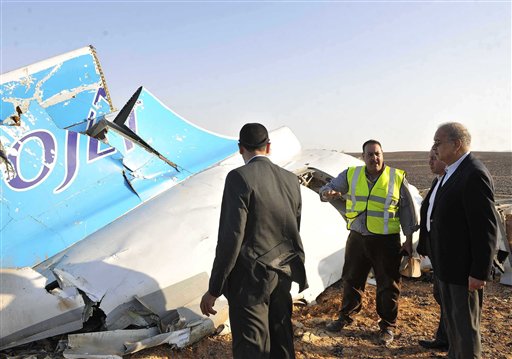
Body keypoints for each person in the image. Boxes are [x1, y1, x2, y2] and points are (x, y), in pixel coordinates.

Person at [200, 123, 308, 359]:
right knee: (282, 342)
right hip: (283, 273)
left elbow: (231, 237)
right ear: (268, 146)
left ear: (240, 149)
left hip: (251, 280)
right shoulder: (291, 180)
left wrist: (214, 288)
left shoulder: (239, 177)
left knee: (253, 347)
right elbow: (294, 227)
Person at [319, 139, 417, 345]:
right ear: (363, 157)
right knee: (351, 279)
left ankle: (387, 326)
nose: (375, 158)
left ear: (383, 155)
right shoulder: (351, 175)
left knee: (388, 284)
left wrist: (408, 239)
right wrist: (326, 193)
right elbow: (328, 188)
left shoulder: (396, 177)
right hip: (358, 238)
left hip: (386, 241)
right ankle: (346, 316)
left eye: (377, 154)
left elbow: (407, 210)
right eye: (370, 155)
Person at [429, 122, 497, 359]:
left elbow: (485, 228)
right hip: (448, 268)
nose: (434, 147)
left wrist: (479, 272)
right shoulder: (452, 172)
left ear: (456, 144)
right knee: (454, 327)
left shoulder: (473, 174)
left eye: (438, 142)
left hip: (462, 272)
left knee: (466, 331)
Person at [416, 149, 449, 351]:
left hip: (449, 253)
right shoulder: (438, 181)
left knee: (448, 299)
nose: (429, 162)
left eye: (434, 158)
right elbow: (428, 214)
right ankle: (444, 338)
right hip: (437, 251)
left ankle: (452, 342)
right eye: (429, 158)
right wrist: (424, 244)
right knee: (441, 296)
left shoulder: (452, 182)